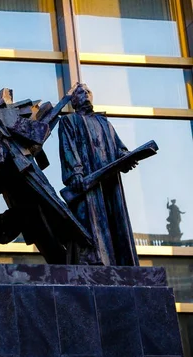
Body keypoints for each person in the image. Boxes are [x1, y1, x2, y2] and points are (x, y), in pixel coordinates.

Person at [58, 83, 139, 266]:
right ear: (74, 100)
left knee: (113, 222)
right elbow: (67, 149)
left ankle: (117, 263)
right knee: (89, 223)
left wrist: (126, 157)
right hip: (87, 183)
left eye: (88, 91)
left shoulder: (104, 123)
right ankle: (93, 264)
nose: (85, 94)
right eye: (80, 92)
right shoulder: (69, 121)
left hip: (110, 183)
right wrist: (75, 172)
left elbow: (119, 148)